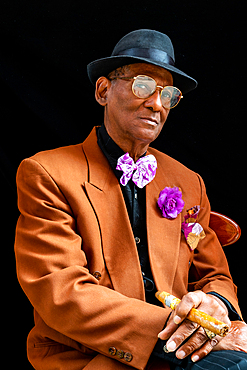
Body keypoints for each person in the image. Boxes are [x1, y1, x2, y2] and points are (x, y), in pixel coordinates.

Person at [14, 29, 247, 370]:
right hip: (92, 354)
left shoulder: (188, 182)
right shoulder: (46, 173)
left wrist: (214, 304)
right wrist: (176, 330)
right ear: (103, 90)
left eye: (168, 94)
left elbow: (216, 277)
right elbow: (62, 294)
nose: (156, 103)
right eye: (142, 85)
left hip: (185, 345)